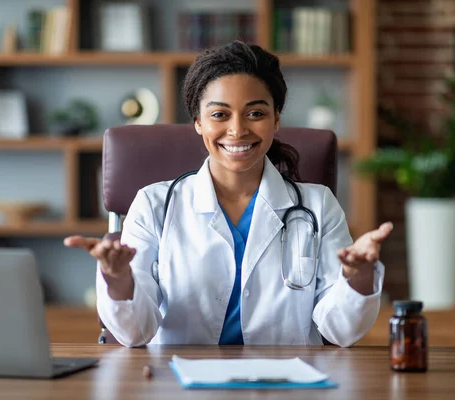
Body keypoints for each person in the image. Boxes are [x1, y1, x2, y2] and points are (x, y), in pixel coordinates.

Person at [65, 41, 393, 347]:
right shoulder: (154, 205)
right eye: (220, 114)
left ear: (276, 119)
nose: (237, 130)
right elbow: (135, 333)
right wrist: (118, 279)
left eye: (256, 113)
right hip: (177, 381)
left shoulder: (317, 206)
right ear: (198, 122)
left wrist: (358, 278)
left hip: (287, 381)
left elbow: (340, 330)